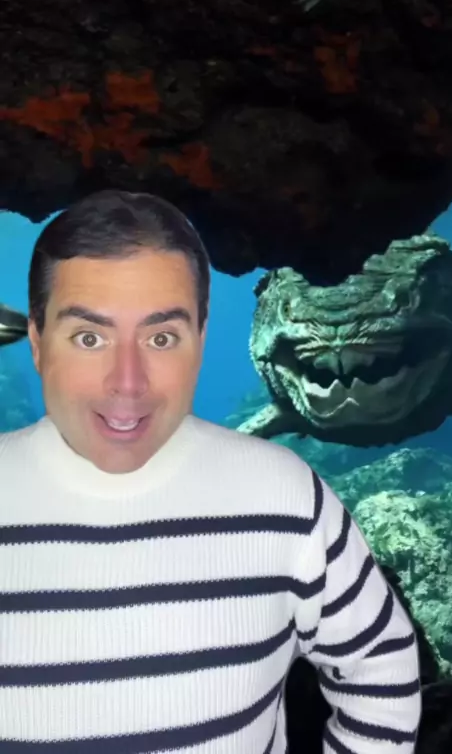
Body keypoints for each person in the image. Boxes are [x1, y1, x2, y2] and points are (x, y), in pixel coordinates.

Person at [0, 189, 421, 752]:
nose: (127, 382)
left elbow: (382, 667)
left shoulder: (286, 495)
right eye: (89, 337)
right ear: (36, 342)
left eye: (161, 338)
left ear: (200, 341)